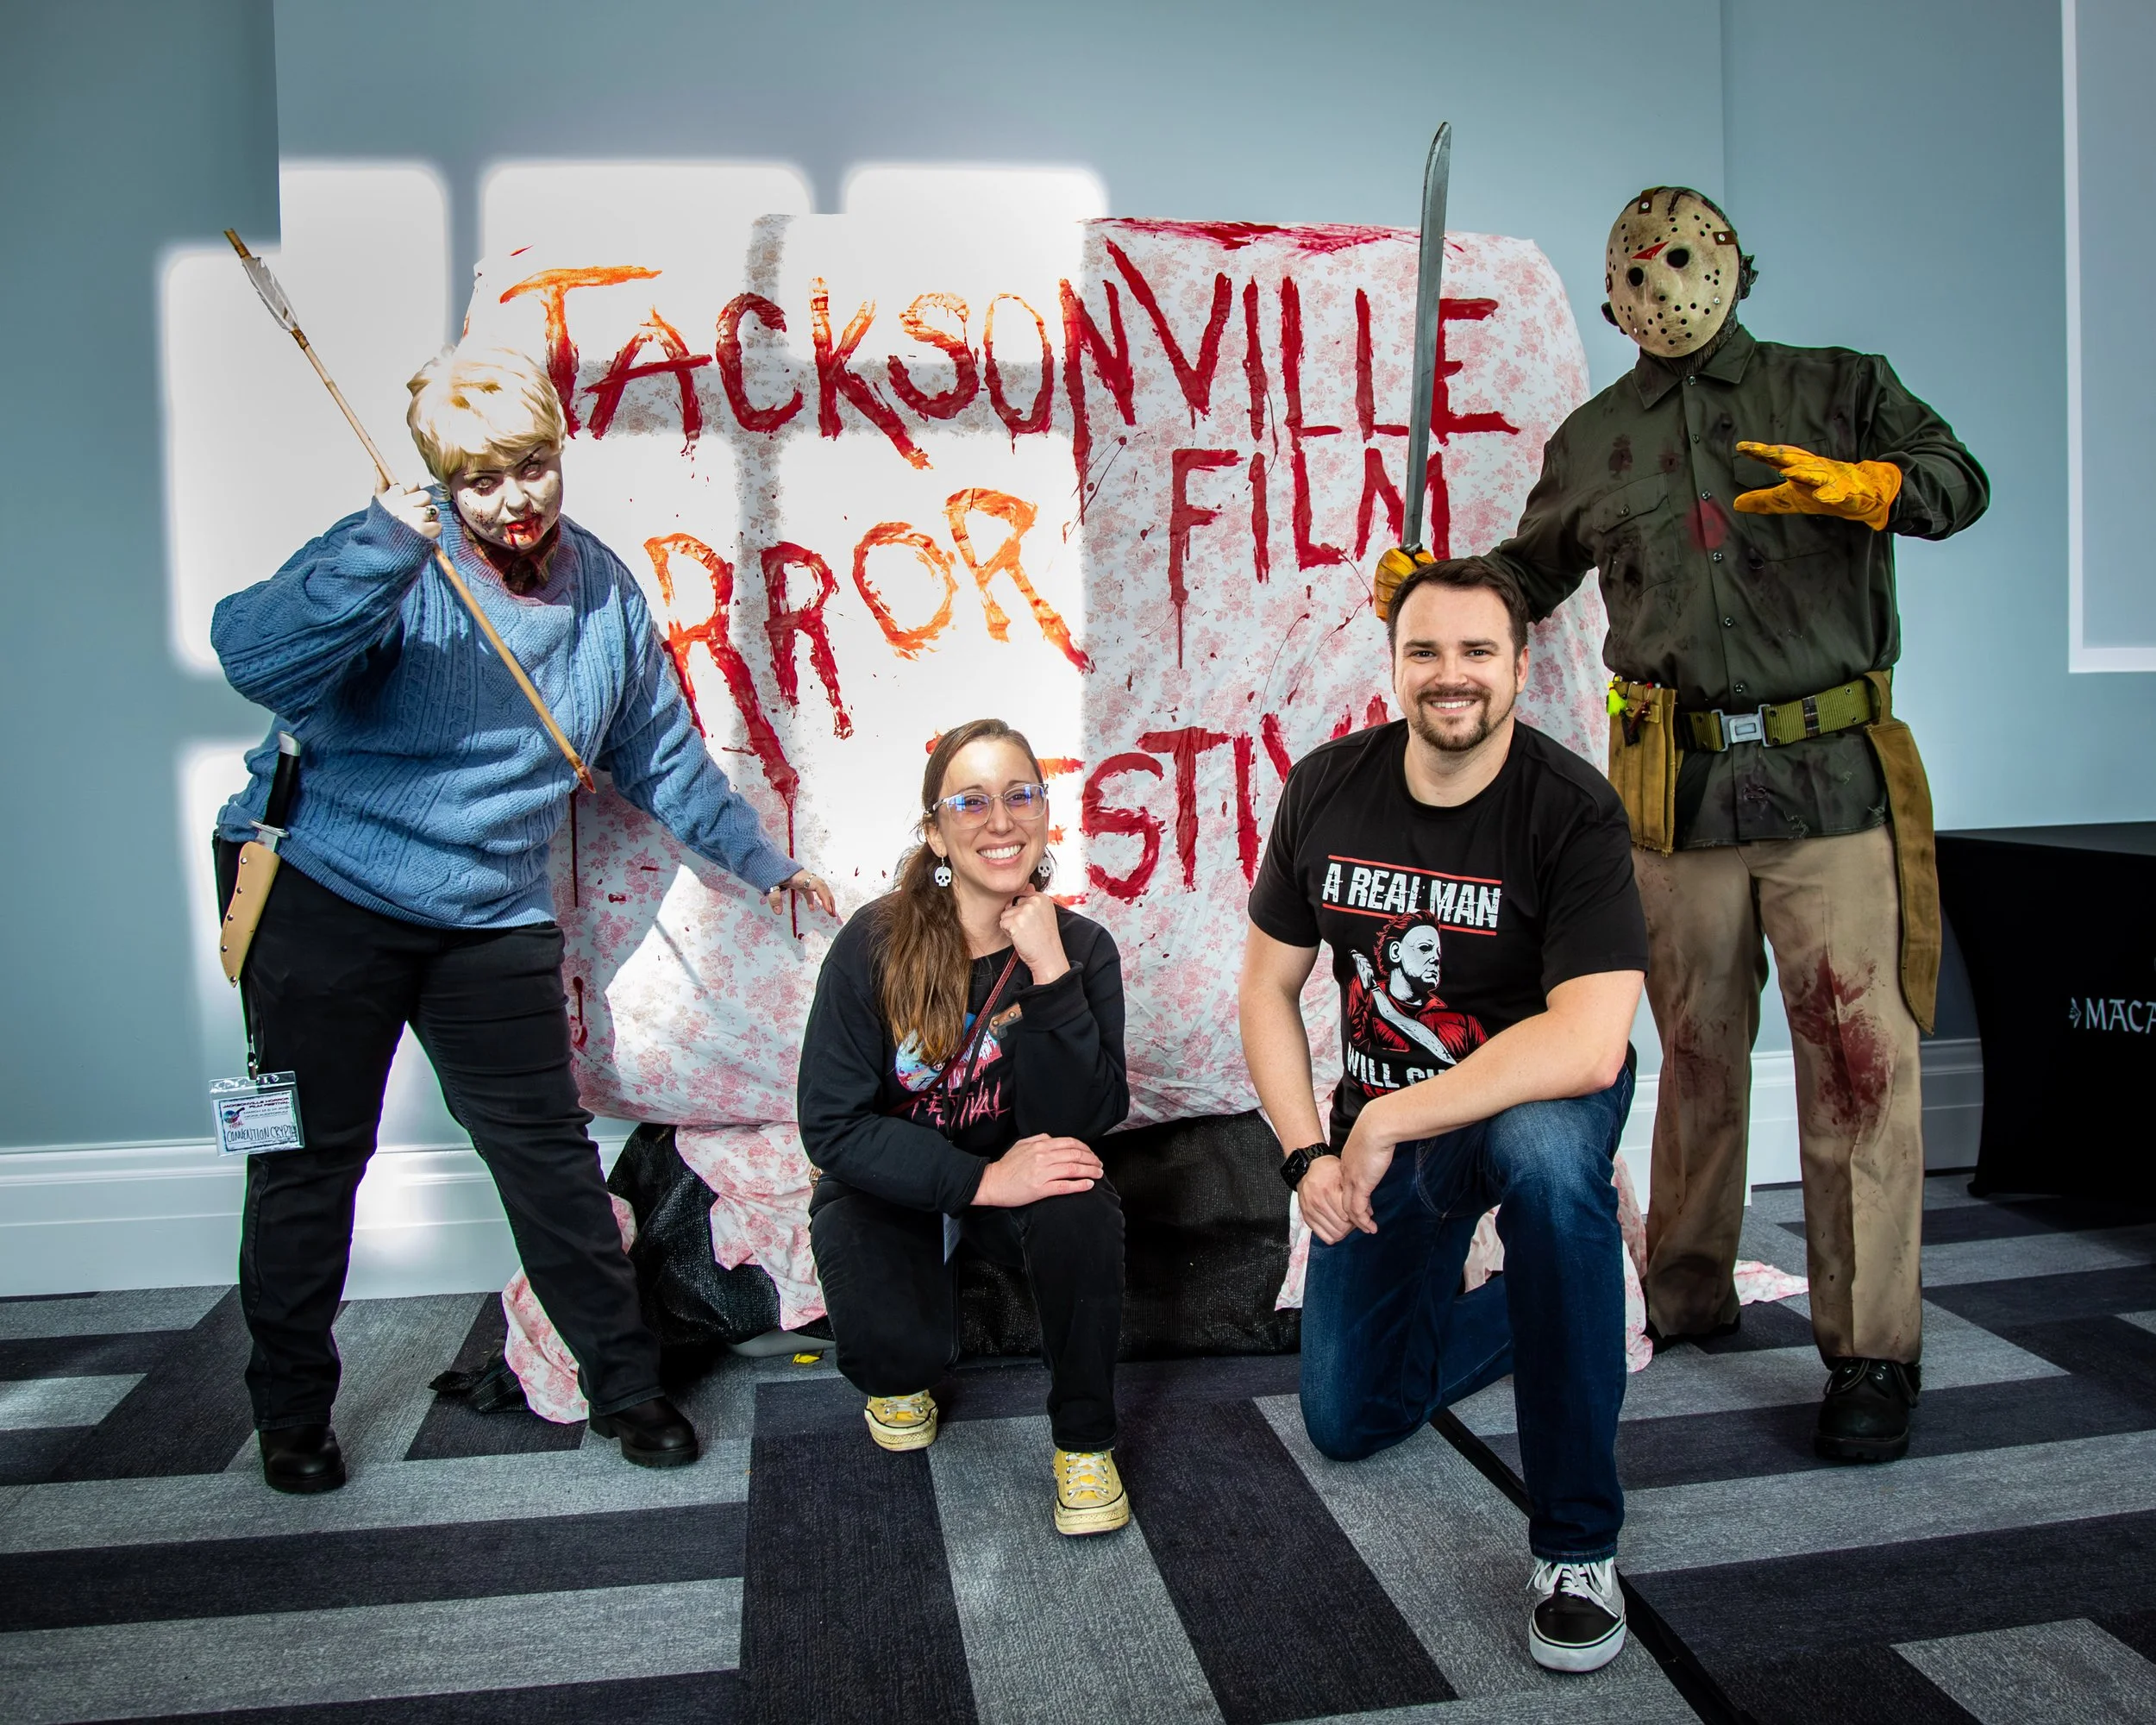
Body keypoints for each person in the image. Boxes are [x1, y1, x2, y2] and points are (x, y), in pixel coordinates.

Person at [1378, 186, 1989, 1464]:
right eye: (1637, 272)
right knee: (1692, 1053)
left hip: (1830, 786)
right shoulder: (1596, 439)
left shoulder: (1838, 386)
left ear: (1735, 265)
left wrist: (1873, 485)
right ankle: (1691, 1286)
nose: (1663, 282)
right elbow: (1530, 576)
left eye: (1686, 256)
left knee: (1857, 1068)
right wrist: (1439, 590)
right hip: (1680, 794)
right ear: (1613, 305)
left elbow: (1958, 482)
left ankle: (1872, 1350)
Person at [211, 344, 832, 1493]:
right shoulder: (394, 558)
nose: (514, 499)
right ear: (444, 480)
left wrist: (760, 859)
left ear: (558, 454)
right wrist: (378, 549)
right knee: (308, 1163)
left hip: (489, 914)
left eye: (532, 466)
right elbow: (250, 652)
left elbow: (659, 754)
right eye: (483, 479)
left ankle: (626, 1386)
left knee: (546, 1158)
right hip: (327, 897)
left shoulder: (599, 589)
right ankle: (290, 1411)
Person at [1241, 559, 1648, 1673]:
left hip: (1530, 1105)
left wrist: (1386, 1119)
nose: (1450, 675)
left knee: (1551, 1165)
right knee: (1349, 1416)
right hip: (1385, 1133)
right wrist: (1306, 1153)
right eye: (1426, 651)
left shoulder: (1571, 811)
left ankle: (1577, 1548)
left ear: (1520, 667)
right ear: (1395, 665)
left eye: (1478, 652)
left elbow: (1590, 1041)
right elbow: (1265, 990)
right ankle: (1569, 1299)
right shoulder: (1327, 789)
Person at [799, 718, 1131, 1535]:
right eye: (972, 802)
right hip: (892, 1181)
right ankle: (905, 1345)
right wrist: (979, 1181)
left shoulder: (1083, 947)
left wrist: (1052, 972)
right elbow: (833, 1127)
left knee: (1081, 1201)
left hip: (1016, 1176)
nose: (1001, 820)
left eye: (1021, 795)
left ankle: (1085, 1444)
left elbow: (1085, 1120)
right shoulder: (873, 943)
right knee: (892, 1357)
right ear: (936, 829)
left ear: (1046, 812)